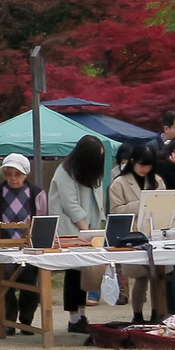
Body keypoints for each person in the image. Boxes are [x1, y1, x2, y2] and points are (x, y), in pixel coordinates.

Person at [46, 135, 108, 335]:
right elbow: (70, 204)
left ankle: (82, 314)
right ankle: (74, 317)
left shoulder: (92, 173)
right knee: (73, 272)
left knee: (85, 272)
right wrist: (86, 230)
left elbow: (98, 200)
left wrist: (95, 228)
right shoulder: (64, 172)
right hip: (71, 230)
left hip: (89, 228)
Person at [0, 155, 44, 330]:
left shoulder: (37, 193)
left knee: (29, 284)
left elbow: (42, 218)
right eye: (9, 174)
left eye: (17, 174)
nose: (13, 178)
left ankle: (26, 321)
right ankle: (9, 321)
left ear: (25, 175)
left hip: (28, 247)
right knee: (5, 283)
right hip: (4, 247)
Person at [108, 144, 162, 324]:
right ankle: (137, 315)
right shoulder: (119, 183)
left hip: (154, 233)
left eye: (148, 166)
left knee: (158, 276)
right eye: (141, 165)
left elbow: (164, 204)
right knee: (140, 276)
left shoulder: (157, 181)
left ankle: (157, 313)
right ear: (132, 162)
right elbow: (115, 211)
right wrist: (142, 203)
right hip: (131, 235)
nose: (145, 169)